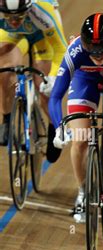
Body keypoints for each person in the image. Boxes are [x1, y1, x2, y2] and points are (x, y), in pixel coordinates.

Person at [49, 13, 103, 223]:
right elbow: (55, 96)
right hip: (84, 79)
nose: (98, 56)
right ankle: (82, 192)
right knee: (80, 140)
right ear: (85, 44)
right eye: (93, 52)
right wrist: (58, 126)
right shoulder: (75, 51)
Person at [0, 0, 67, 152]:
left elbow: (60, 48)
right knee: (6, 71)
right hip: (12, 36)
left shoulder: (43, 10)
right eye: (9, 16)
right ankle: (6, 119)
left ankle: (54, 127)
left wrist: (53, 76)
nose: (14, 21)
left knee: (43, 86)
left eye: (19, 16)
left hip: (41, 36)